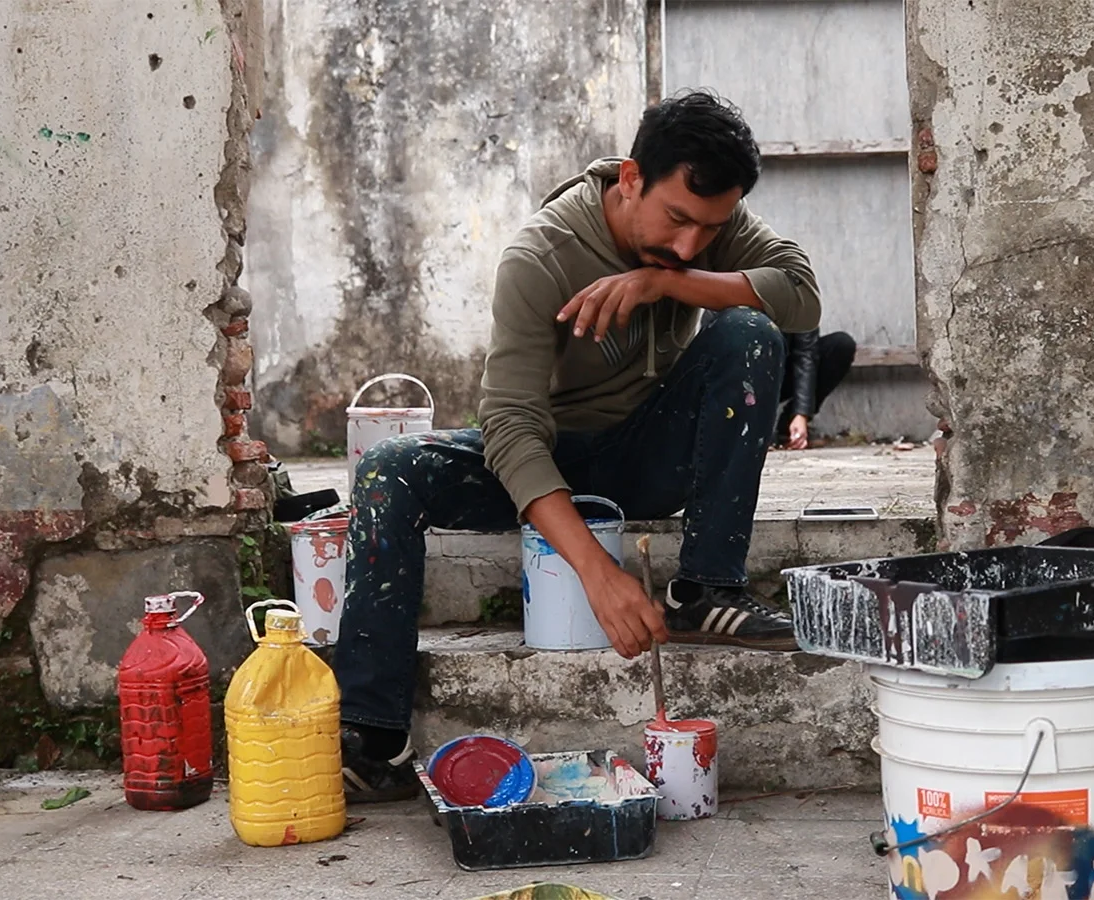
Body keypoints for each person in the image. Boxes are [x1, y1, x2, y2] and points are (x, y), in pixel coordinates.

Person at [332, 91, 822, 803]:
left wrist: (664, 280)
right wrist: (598, 572)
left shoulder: (704, 228)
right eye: (676, 220)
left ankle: (706, 589)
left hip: (647, 456)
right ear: (631, 178)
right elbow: (510, 426)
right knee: (386, 470)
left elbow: (802, 295)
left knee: (750, 332)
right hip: (550, 459)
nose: (692, 243)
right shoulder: (541, 255)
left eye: (709, 228)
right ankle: (375, 735)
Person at [776, 328, 856, 449]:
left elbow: (806, 354)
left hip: (783, 375)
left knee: (841, 345)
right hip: (751, 379)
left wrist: (801, 414)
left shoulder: (802, 315)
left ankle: (791, 428)